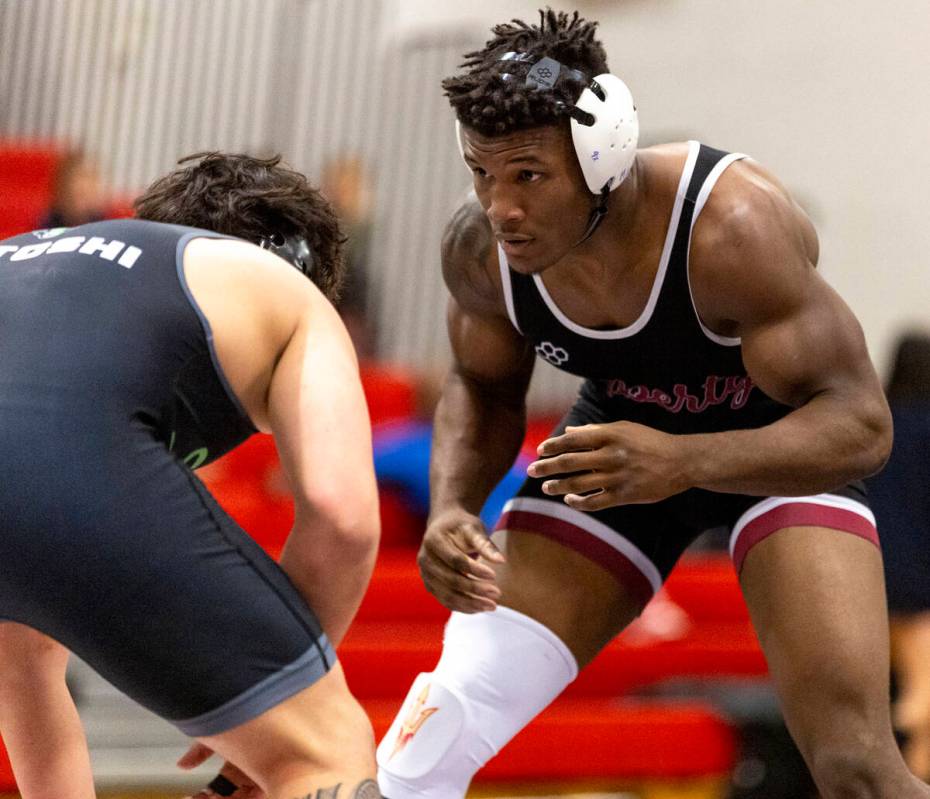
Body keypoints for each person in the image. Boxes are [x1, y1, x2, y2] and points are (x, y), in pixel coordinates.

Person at [374, 9, 927, 799]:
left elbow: (862, 425)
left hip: (776, 445)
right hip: (622, 448)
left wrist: (686, 458)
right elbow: (484, 384)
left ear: (602, 155)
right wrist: (453, 507)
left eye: (528, 175)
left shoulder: (729, 228)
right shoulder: (481, 252)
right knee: (424, 750)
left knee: (855, 768)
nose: (501, 208)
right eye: (481, 174)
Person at [0, 152, 382, 799]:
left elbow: (24, 667)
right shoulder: (281, 286)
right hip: (69, 460)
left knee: (23, 665)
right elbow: (342, 518)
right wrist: (282, 684)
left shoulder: (39, 256)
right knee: (327, 749)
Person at [867, 332, 930, 781]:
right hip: (915, 573)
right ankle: (912, 771)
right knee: (921, 688)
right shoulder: (927, 429)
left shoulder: (877, 427)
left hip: (863, 565)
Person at [38, 149, 107, 229]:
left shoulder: (102, 220)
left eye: (93, 178)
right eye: (82, 177)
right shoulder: (50, 221)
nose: (90, 185)